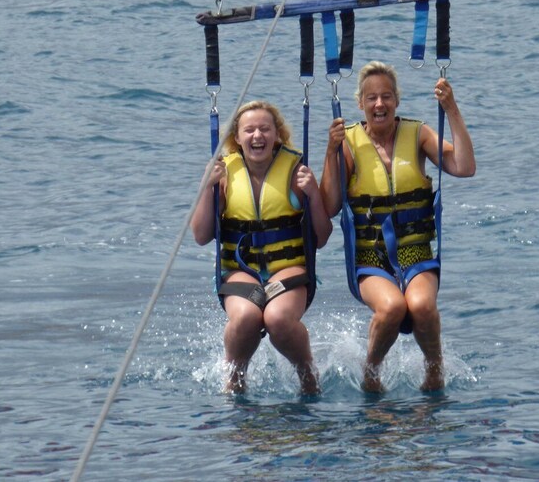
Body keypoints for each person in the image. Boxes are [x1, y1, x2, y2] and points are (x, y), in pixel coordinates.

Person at [319, 61, 476, 393]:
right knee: (392, 307)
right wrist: (330, 151)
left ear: (397, 101)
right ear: (360, 103)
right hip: (370, 259)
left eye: (387, 96)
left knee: (420, 306)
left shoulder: (418, 134)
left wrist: (451, 110)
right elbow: (330, 206)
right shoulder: (347, 142)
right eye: (372, 98)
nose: (380, 104)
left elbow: (464, 166)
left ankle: (434, 371)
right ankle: (371, 374)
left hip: (416, 250)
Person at [192, 100, 333, 395]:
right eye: (250, 130)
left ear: (277, 135)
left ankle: (307, 375)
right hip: (242, 272)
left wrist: (313, 196)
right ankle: (235, 379)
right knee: (246, 316)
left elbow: (321, 237)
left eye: (265, 129)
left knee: (277, 318)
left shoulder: (297, 172)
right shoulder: (224, 174)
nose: (258, 136)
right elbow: (201, 235)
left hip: (288, 270)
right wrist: (208, 188)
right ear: (238, 138)